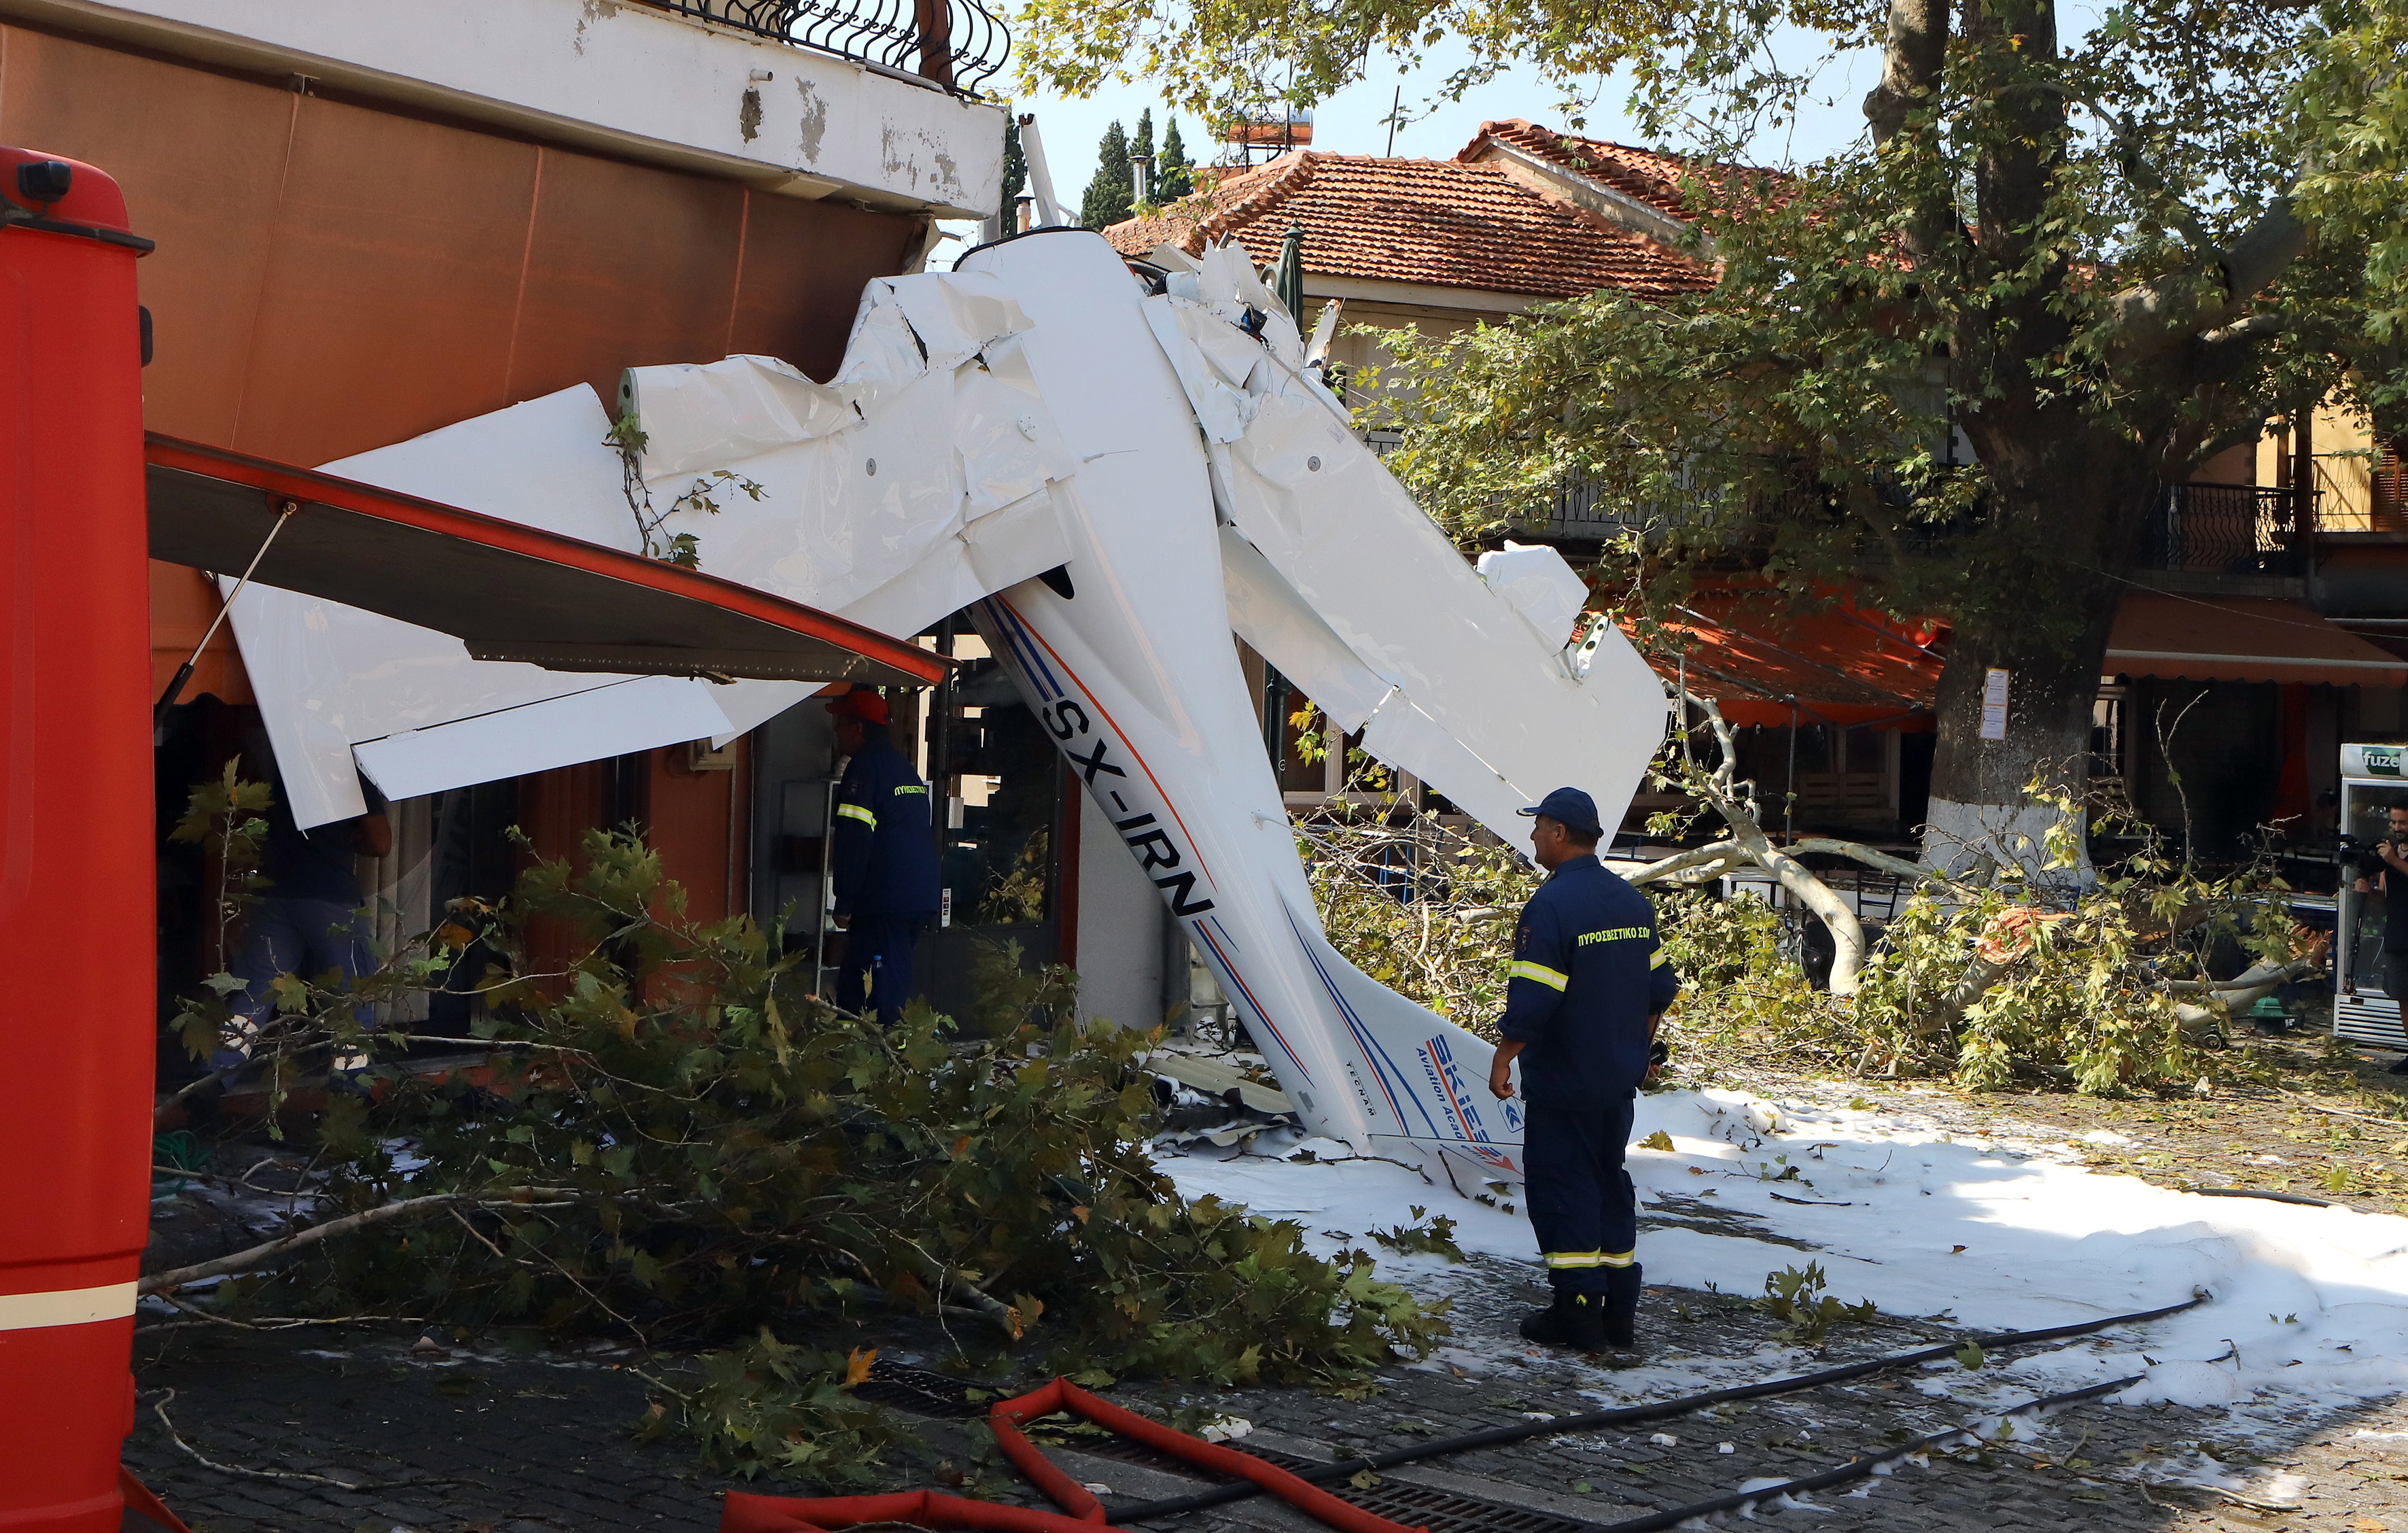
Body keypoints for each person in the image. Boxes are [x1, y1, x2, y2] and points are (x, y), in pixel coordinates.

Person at [1486, 787, 1679, 1353]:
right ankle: (1618, 1313)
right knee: (1607, 1182)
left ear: (1560, 834)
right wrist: (1635, 1054)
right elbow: (1660, 990)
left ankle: (1576, 1315)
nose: (1532, 837)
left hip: (1565, 1078)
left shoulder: (1550, 907)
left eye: (1538, 826)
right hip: (1616, 1080)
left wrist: (1504, 1054)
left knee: (1562, 1186)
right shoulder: (1630, 902)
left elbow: (1534, 998)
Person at [213, 729, 393, 1088]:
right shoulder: (350, 772)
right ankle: (351, 1089)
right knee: (352, 995)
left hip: (279, 895)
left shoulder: (288, 766)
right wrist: (352, 837)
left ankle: (212, 1080)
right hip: (330, 897)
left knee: (255, 992)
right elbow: (382, 842)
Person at [826, 686, 941, 1025]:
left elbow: (855, 839)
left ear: (857, 728)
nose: (836, 732)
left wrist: (845, 901)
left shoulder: (863, 770)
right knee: (873, 979)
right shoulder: (904, 770)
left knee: (878, 992)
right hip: (916, 896)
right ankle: (868, 1052)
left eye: (840, 724)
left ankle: (887, 1062)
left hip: (883, 900)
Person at [2351, 800, 2408, 1077]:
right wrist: (2367, 891)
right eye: (2394, 823)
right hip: (2398, 933)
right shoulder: (2391, 855)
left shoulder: (2393, 858)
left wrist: (2394, 861)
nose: (2398, 828)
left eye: (2403, 823)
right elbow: (2386, 899)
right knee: (2403, 996)